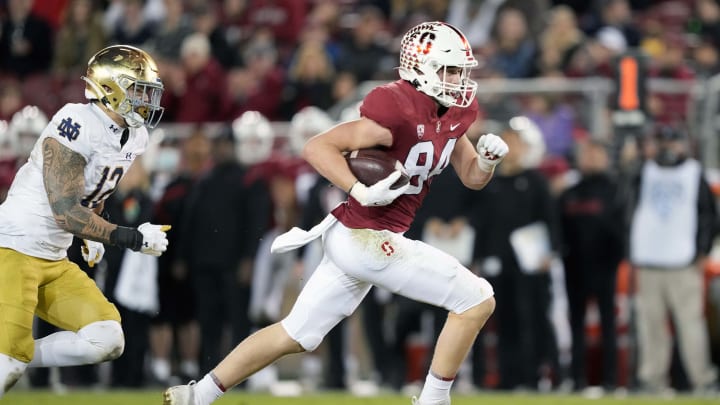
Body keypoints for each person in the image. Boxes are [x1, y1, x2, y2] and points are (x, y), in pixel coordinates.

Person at [164, 21, 508, 405]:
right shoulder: (396, 109)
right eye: (450, 69)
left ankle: (197, 395)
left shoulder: (454, 113)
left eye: (461, 70)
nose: (459, 79)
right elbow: (318, 147)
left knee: (295, 334)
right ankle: (433, 401)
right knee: (477, 299)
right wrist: (359, 188)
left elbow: (471, 177)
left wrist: (489, 162)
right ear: (420, 68)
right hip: (367, 236)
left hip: (359, 237)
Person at [0, 44, 171, 398]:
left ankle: (11, 354)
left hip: (53, 256)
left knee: (106, 338)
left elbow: (94, 189)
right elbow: (64, 209)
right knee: (9, 365)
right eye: (139, 90)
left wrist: (92, 228)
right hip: (14, 246)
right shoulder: (77, 120)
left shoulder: (134, 135)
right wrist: (129, 237)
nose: (146, 100)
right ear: (111, 87)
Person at [628, 125, 718, 396]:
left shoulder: (694, 173)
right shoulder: (644, 171)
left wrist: (701, 251)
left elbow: (709, 216)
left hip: (683, 262)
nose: (667, 148)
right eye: (662, 143)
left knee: (690, 324)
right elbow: (626, 204)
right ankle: (652, 380)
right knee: (650, 326)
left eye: (672, 142)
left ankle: (702, 380)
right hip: (649, 260)